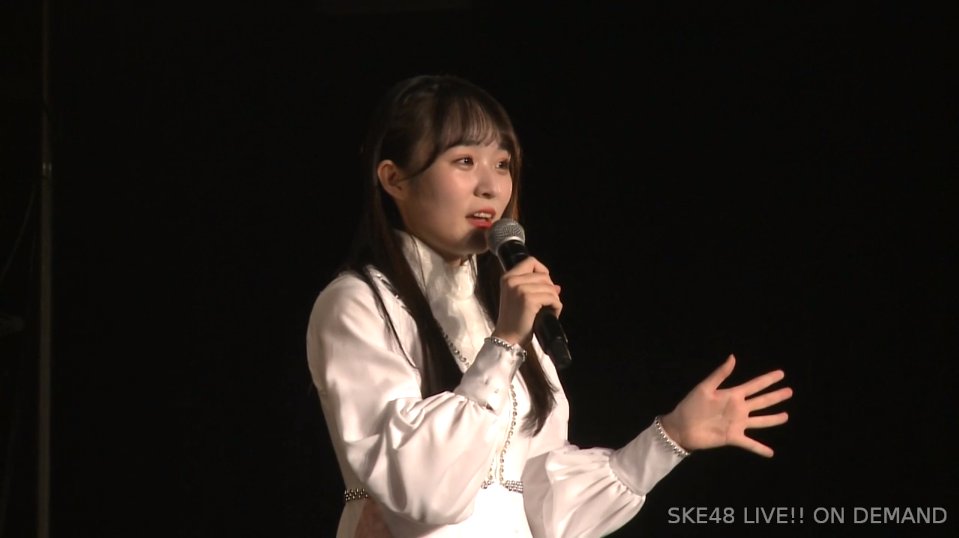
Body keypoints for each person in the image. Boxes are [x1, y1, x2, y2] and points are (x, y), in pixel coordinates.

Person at [306, 74, 793, 537]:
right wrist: (504, 344)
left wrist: (669, 437)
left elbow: (542, 506)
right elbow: (422, 490)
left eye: (502, 164)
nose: (491, 186)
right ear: (394, 179)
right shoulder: (358, 303)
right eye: (464, 161)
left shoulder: (502, 307)